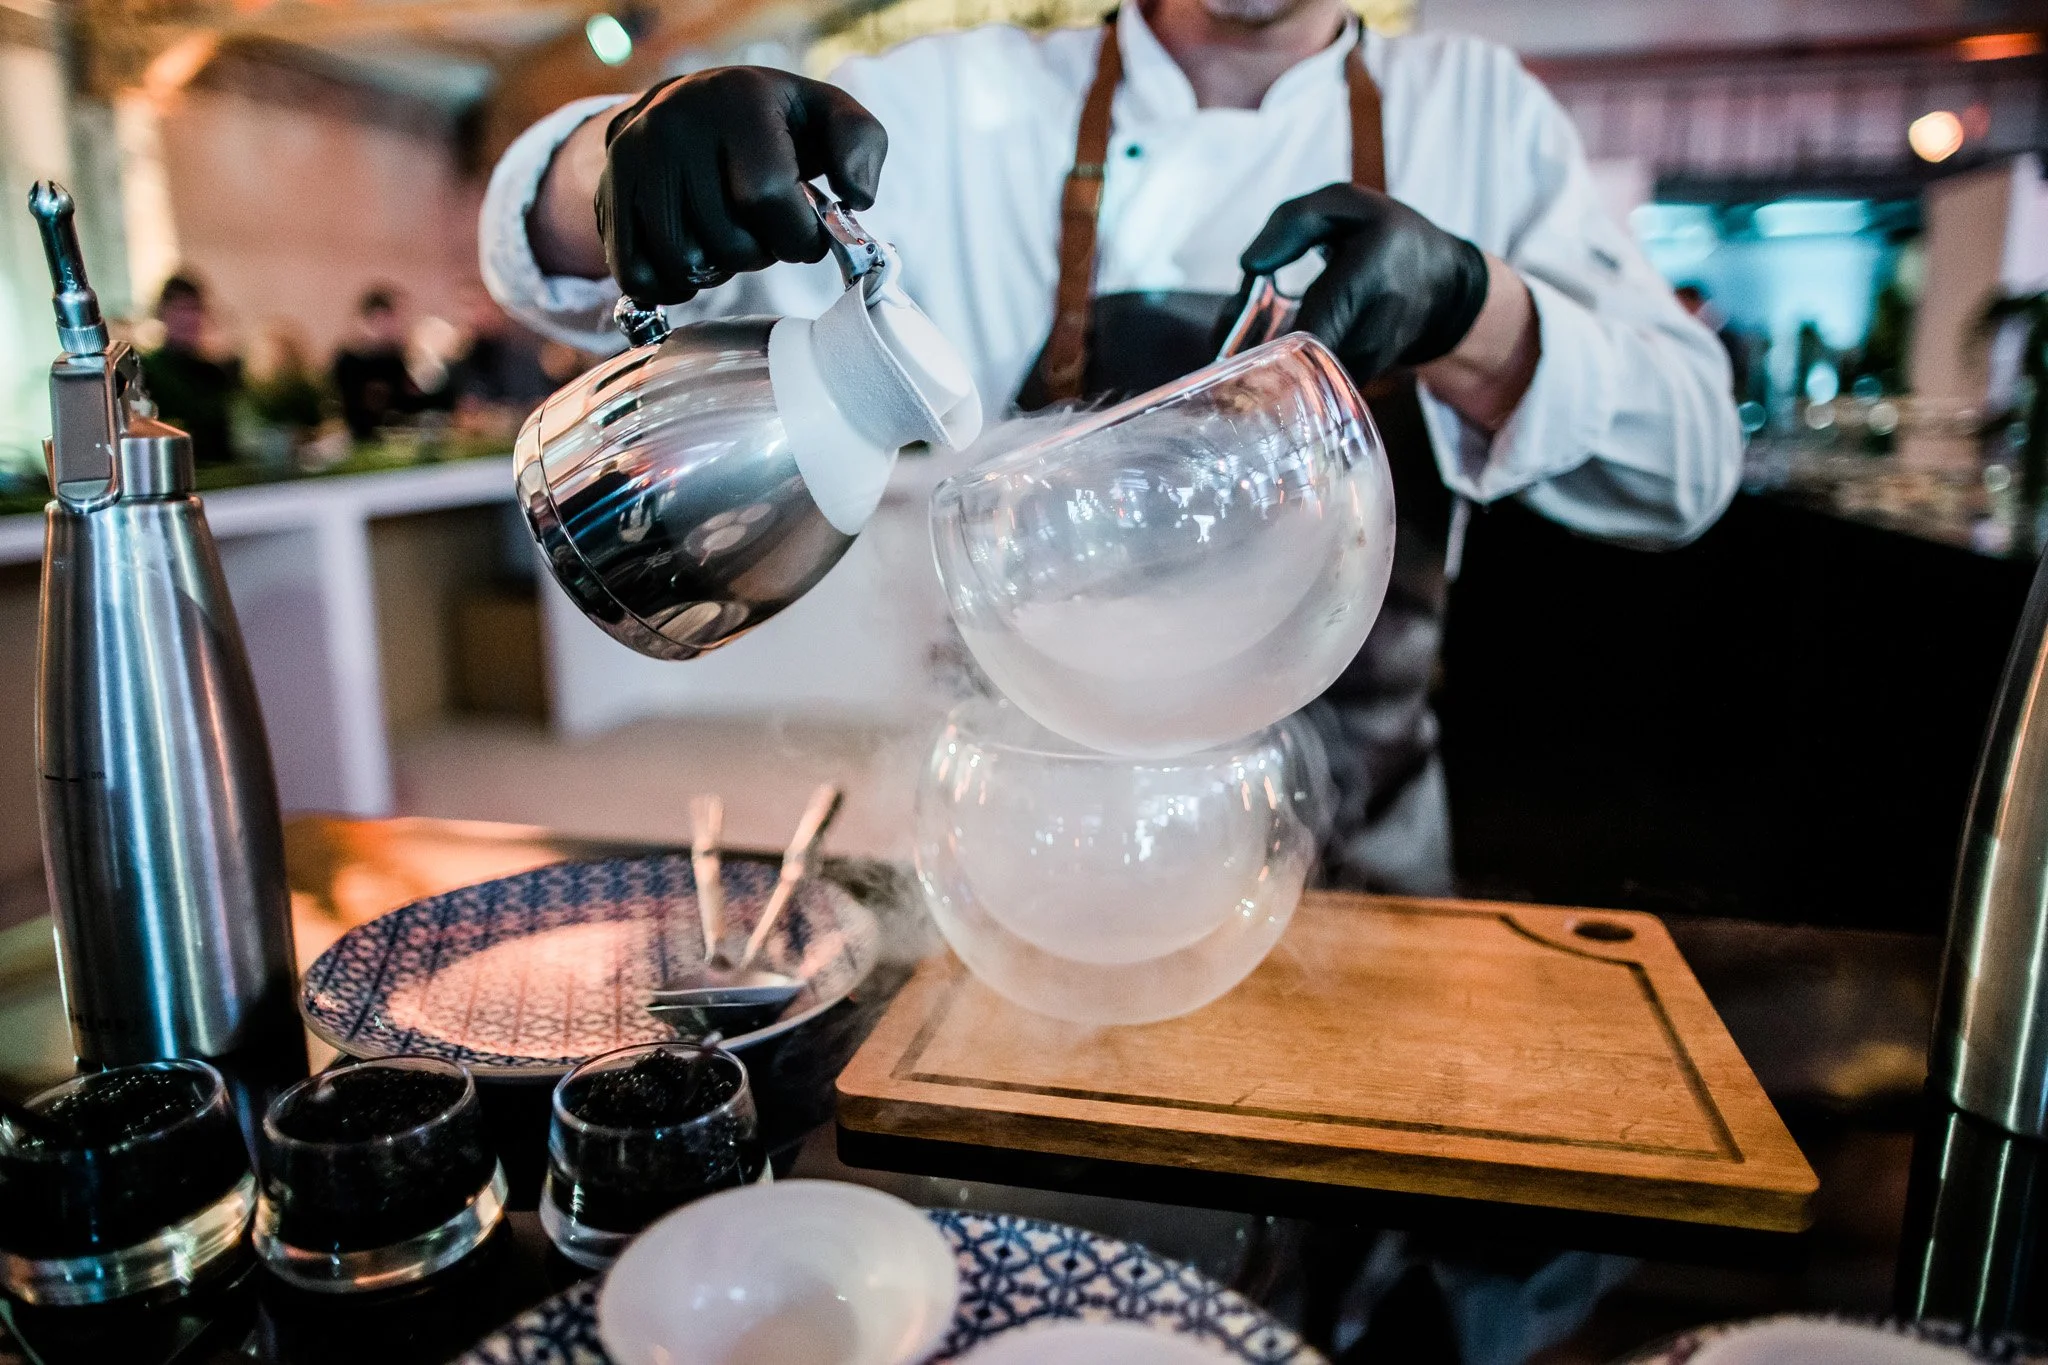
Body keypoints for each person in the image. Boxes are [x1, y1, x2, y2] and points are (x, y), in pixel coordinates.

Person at [481, 0, 1742, 903]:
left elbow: (1686, 470)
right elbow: (565, 257)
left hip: (1362, 854)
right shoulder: (961, 95)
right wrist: (626, 156)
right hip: (1028, 850)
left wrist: (1476, 309)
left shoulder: (1476, 108)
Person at [141, 275, 241, 466]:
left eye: (195, 309)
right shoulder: (146, 370)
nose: (189, 319)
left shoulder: (214, 373)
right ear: (163, 313)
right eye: (181, 309)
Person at [332, 286, 432, 441]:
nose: (389, 327)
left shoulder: (396, 358)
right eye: (382, 320)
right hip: (359, 438)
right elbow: (344, 407)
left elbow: (411, 403)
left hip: (396, 437)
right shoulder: (347, 361)